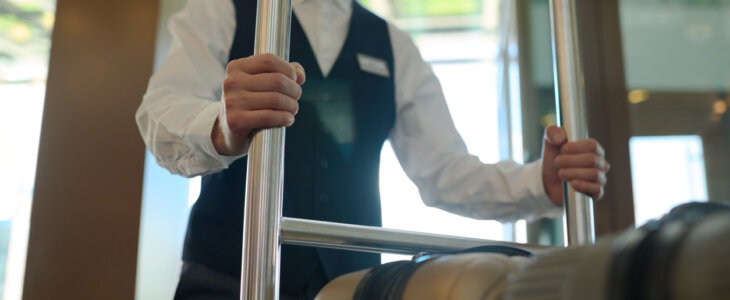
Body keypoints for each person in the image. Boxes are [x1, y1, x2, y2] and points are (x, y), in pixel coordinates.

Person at [135, 0, 610, 299]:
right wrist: (222, 123)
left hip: (351, 289)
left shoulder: (393, 44)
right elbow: (158, 115)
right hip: (224, 283)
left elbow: (444, 170)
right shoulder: (222, 11)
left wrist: (539, 184)